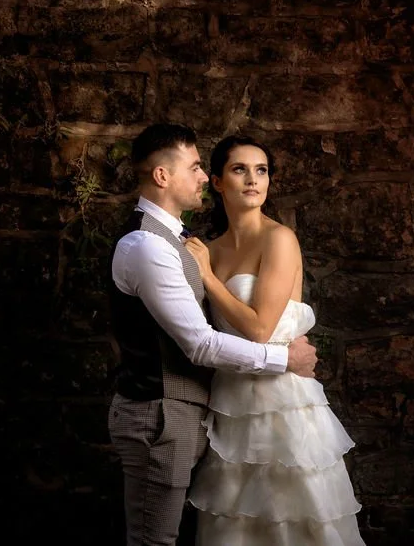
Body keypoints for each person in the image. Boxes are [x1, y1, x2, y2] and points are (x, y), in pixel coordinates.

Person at [107, 124, 318, 546]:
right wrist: (285, 359)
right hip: (168, 411)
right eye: (197, 167)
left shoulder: (184, 242)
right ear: (164, 177)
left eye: (261, 170)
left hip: (229, 408)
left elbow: (252, 323)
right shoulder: (151, 246)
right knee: (164, 538)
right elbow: (201, 342)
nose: (203, 177)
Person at [183, 135, 365, 546]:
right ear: (216, 181)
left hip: (283, 403)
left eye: (261, 170)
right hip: (231, 400)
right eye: (239, 169)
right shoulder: (206, 248)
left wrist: (209, 277)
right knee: (236, 519)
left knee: (295, 518)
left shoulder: (278, 238)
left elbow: (260, 329)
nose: (253, 179)